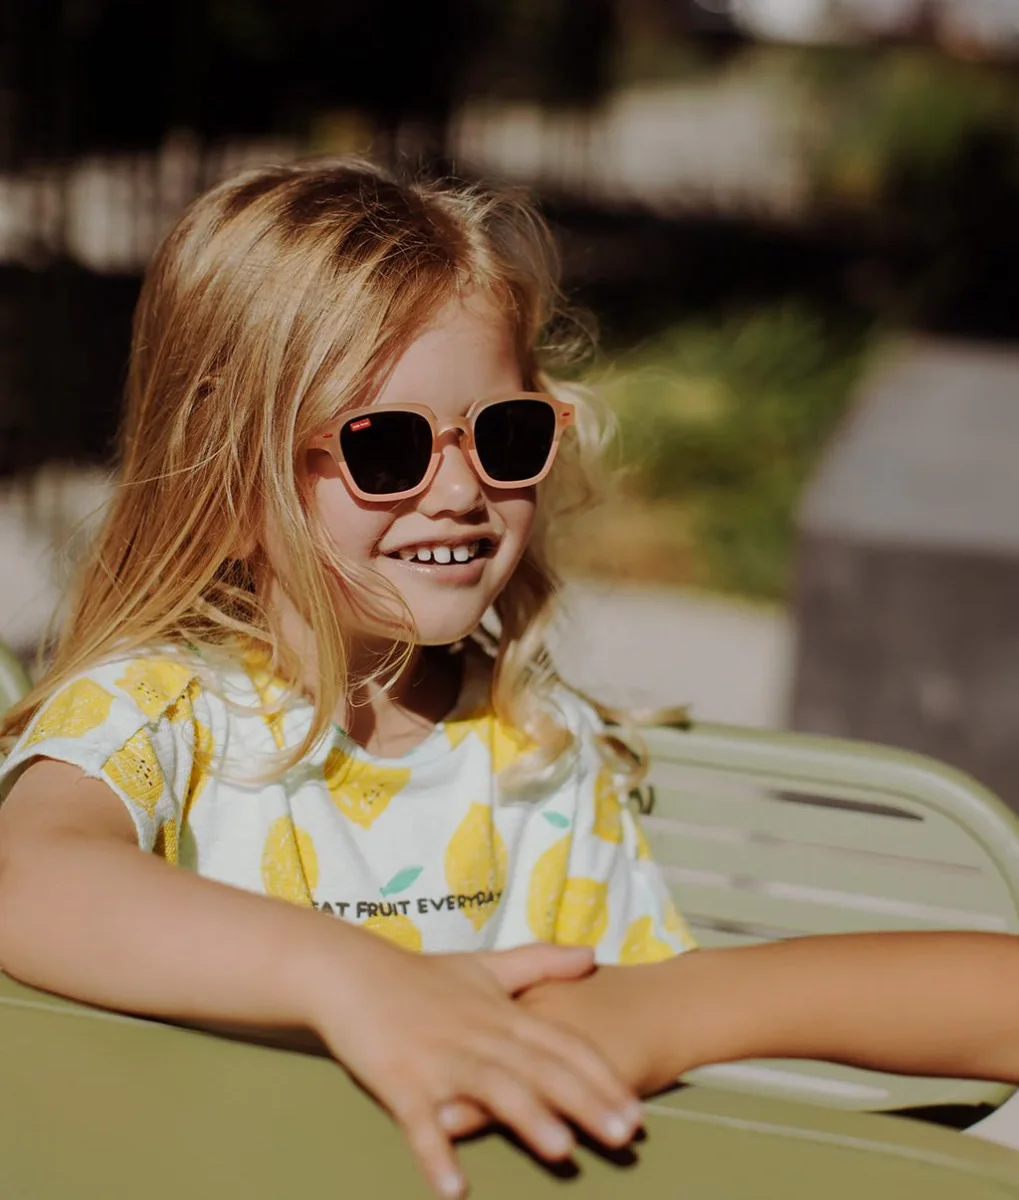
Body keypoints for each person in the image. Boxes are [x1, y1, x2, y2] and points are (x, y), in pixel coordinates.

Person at [4, 158, 1019, 1199]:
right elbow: (26, 878)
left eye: (504, 433)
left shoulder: (539, 749)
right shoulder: (157, 714)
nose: (458, 491)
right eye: (385, 447)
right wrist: (353, 982)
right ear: (225, 483)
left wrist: (653, 1016)